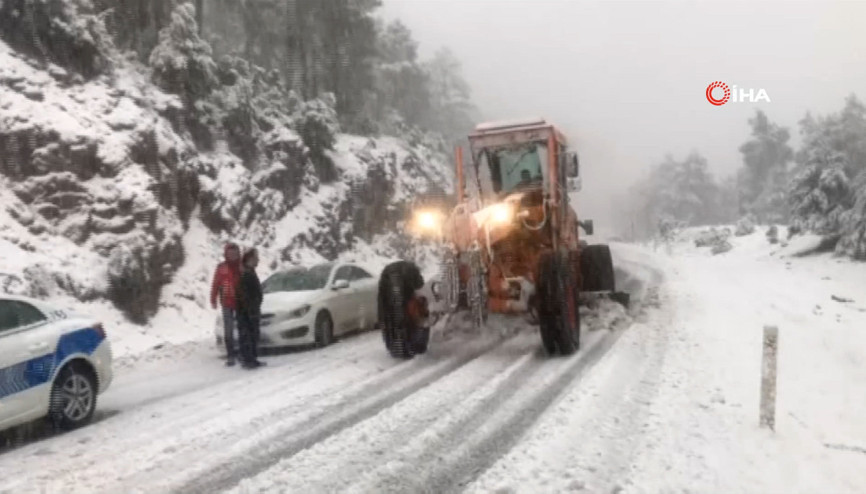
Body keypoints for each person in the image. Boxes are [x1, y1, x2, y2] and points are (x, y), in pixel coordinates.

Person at [210, 242, 242, 366]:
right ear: (226, 254)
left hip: (241, 302)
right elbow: (215, 284)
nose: (232, 255)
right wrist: (213, 299)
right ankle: (231, 355)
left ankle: (243, 352)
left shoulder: (242, 266)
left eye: (235, 253)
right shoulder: (221, 267)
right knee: (228, 330)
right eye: (230, 253)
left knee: (242, 328)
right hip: (226, 302)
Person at [236, 248, 266, 369]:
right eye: (256, 257)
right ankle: (248, 359)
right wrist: (250, 309)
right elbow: (244, 294)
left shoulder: (249, 271)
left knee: (251, 335)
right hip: (247, 311)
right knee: (248, 335)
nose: (258, 260)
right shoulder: (245, 273)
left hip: (249, 310)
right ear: (250, 259)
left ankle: (251, 358)